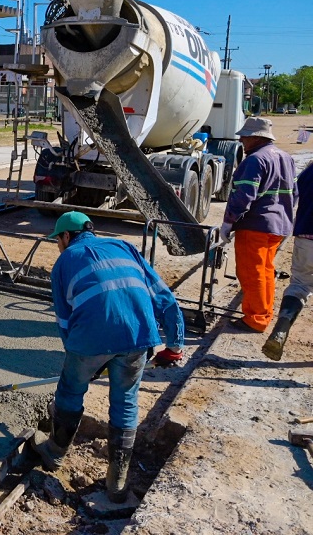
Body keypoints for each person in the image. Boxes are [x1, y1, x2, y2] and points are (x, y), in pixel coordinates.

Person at [31, 211, 184, 503]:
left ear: (66, 236)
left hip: (91, 338)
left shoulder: (64, 262)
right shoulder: (124, 247)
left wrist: (78, 356)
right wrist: (175, 344)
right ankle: (117, 483)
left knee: (71, 389)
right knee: (126, 400)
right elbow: (164, 297)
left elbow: (64, 320)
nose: (59, 246)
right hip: (138, 335)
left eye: (58, 240)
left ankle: (55, 452)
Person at [220, 117, 296, 332]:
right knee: (265, 271)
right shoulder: (286, 158)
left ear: (256, 138)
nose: (241, 140)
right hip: (278, 226)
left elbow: (244, 195)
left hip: (256, 226)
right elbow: (294, 194)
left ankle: (255, 320)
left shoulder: (255, 160)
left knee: (251, 273)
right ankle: (264, 313)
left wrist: (228, 222)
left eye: (245, 136)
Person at [263, 161, 313, 360]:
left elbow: (294, 196)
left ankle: (282, 326)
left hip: (306, 237)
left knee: (299, 285)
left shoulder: (309, 170)